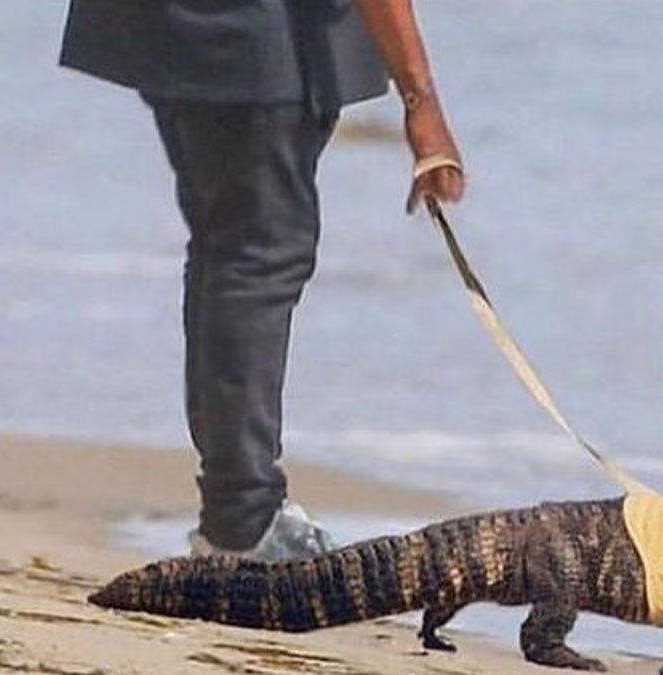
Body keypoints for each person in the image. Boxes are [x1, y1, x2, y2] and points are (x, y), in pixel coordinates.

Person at [59, 1, 465, 559]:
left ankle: (236, 511)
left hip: (177, 29)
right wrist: (421, 102)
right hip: (253, 36)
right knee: (256, 256)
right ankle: (241, 519)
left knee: (227, 249)